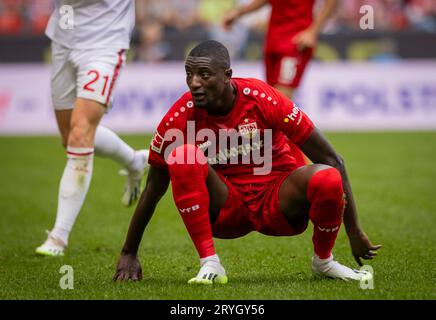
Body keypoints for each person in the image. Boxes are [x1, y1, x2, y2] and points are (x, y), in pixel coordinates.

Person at [113, 40, 381, 284]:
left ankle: (324, 261)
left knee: (328, 176)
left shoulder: (263, 99)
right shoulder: (179, 117)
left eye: (204, 75)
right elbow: (153, 190)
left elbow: (333, 159)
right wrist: (128, 252)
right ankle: (210, 263)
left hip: (279, 205)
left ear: (227, 76)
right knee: (183, 156)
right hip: (227, 211)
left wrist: (355, 231)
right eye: (189, 74)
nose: (194, 82)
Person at [35, 0, 149, 257]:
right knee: (70, 137)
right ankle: (134, 161)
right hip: (64, 39)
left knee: (80, 131)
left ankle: (58, 237)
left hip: (105, 45)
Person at [222, 0, 338, 166]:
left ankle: (301, 167)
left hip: (295, 42)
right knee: (272, 109)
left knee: (280, 109)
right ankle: (287, 164)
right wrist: (238, 13)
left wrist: (313, 31)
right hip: (273, 41)